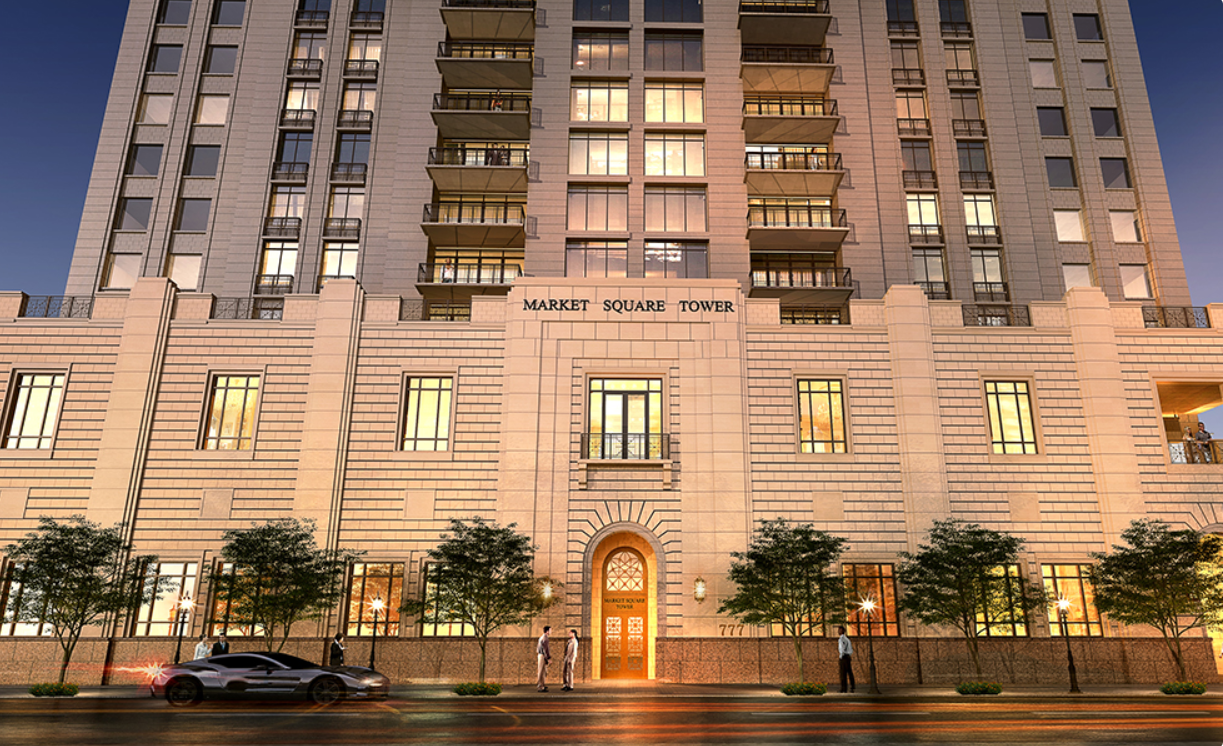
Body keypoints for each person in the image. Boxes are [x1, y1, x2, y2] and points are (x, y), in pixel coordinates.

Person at [837, 625, 855, 694]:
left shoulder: (842, 639)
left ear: (843, 631)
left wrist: (841, 656)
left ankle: (844, 688)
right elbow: (851, 649)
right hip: (847, 657)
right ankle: (851, 687)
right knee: (849, 672)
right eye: (839, 630)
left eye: (840, 630)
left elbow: (842, 649)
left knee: (843, 673)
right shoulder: (847, 639)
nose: (839, 631)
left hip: (844, 657)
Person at [536, 626, 551, 692]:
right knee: (541, 672)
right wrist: (548, 658)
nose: (551, 631)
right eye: (550, 630)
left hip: (541, 655)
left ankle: (542, 685)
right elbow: (545, 649)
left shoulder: (541, 637)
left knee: (543, 671)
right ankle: (540, 686)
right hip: (542, 656)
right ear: (547, 631)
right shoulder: (545, 638)